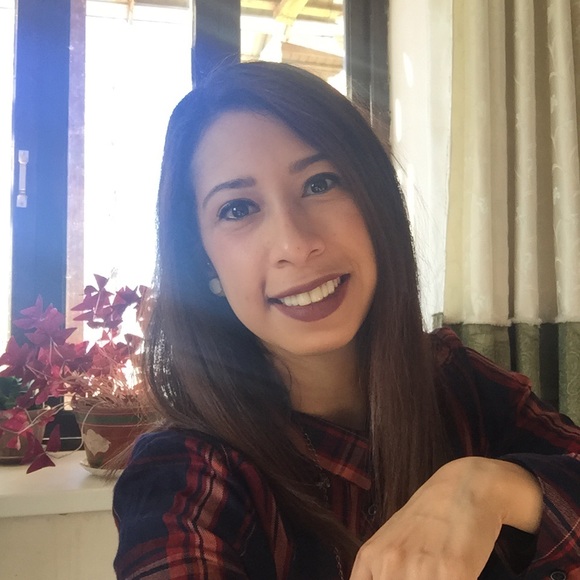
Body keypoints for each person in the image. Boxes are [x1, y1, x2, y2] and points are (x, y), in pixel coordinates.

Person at [113, 61, 580, 580]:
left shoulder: (459, 383)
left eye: (320, 183)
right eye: (238, 209)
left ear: (375, 201)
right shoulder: (184, 477)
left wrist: (494, 488)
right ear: (204, 262)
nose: (295, 244)